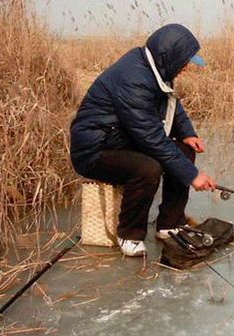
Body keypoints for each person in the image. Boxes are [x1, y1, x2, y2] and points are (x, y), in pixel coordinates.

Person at [70, 24, 217, 257]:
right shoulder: (133, 79)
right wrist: (192, 175)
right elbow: (152, 138)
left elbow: (171, 103)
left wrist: (188, 133)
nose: (187, 67)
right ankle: (129, 235)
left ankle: (170, 224)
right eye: (185, 61)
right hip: (96, 151)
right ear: (170, 56)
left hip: (121, 140)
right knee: (148, 168)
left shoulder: (154, 68)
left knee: (184, 150)